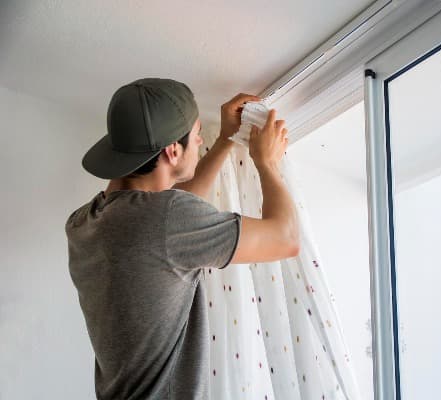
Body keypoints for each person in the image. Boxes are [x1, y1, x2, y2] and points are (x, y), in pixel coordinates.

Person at [65, 78, 299, 399]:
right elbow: (285, 238)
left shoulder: (83, 222)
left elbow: (169, 224)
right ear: (173, 151)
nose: (201, 139)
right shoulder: (166, 220)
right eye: (197, 134)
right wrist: (267, 163)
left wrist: (224, 141)